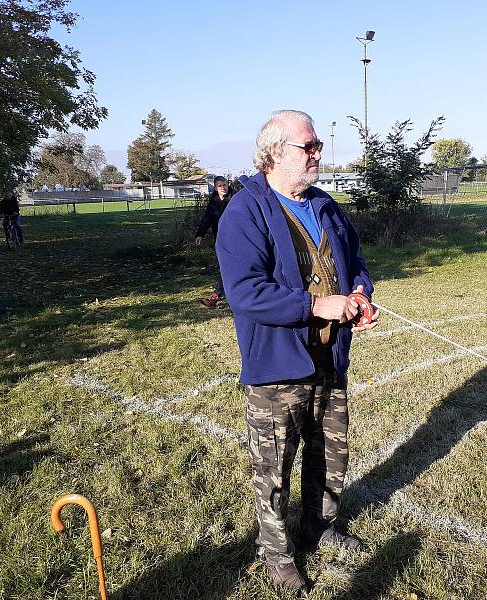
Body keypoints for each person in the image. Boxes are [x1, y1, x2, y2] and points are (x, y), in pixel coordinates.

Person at [216, 110, 380, 596]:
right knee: (274, 471)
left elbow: (356, 262)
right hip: (277, 368)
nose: (317, 155)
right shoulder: (245, 212)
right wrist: (317, 305)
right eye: (307, 147)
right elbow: (246, 292)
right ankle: (278, 556)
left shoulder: (326, 205)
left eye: (317, 146)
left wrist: (360, 295)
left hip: (330, 360)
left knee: (330, 455)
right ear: (274, 153)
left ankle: (321, 526)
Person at [195, 176, 231, 308]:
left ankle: (215, 297)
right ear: (216, 188)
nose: (223, 187)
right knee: (224, 267)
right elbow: (207, 218)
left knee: (227, 268)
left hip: (235, 238)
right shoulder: (214, 201)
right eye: (220, 185)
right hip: (220, 239)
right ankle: (223, 295)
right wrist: (200, 234)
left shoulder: (234, 199)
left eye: (225, 184)